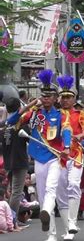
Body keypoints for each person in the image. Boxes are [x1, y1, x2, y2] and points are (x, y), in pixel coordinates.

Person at [7, 69, 72, 241]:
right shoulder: (34, 113)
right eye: (43, 96)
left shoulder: (61, 115)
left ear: (55, 98)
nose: (46, 99)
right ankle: (51, 234)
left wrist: (66, 147)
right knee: (43, 196)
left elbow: (66, 131)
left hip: (54, 158)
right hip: (38, 159)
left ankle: (47, 212)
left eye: (49, 96)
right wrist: (27, 107)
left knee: (51, 189)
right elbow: (11, 122)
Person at [55, 75, 84, 241]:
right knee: (61, 191)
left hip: (75, 155)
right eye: (63, 97)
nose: (65, 100)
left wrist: (81, 135)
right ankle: (67, 227)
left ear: (74, 99)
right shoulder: (55, 115)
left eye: (68, 97)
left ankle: (73, 221)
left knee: (73, 185)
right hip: (58, 156)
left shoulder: (81, 114)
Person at [1, 98, 34, 229]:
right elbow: (30, 138)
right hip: (19, 161)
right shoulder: (21, 123)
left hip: (8, 161)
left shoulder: (4, 124)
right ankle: (12, 220)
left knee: (11, 191)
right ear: (19, 107)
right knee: (16, 192)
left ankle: (8, 218)